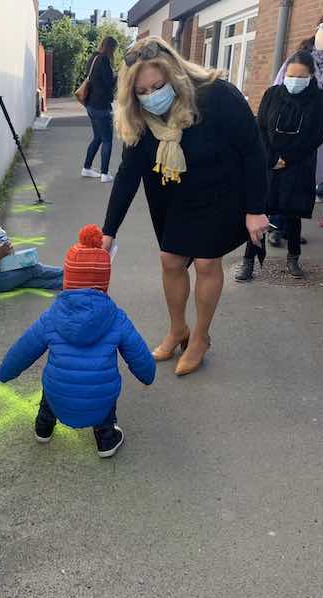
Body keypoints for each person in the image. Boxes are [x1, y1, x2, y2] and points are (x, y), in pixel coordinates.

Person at [101, 37, 269, 376]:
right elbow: (127, 174)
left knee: (207, 262)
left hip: (222, 193)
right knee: (170, 260)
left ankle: (201, 337)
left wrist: (256, 208)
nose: (151, 96)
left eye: (157, 86)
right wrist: (109, 231)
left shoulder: (216, 95)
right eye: (142, 91)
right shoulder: (139, 117)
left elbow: (254, 149)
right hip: (174, 196)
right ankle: (178, 329)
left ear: (174, 75)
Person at [0, 225, 156, 458]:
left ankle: (43, 426)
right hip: (99, 401)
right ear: (104, 280)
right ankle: (106, 439)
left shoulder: (52, 316)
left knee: (51, 384)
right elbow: (139, 355)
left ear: (67, 279)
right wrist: (148, 375)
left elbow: (24, 349)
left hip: (58, 396)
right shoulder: (116, 317)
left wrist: (5, 373)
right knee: (104, 395)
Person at [235, 51, 323, 281]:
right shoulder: (272, 94)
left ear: (310, 76)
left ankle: (293, 258)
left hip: (299, 164)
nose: (294, 80)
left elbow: (316, 136)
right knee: (260, 212)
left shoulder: (320, 99)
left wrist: (287, 159)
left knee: (293, 214)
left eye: (300, 76)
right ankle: (249, 261)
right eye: (290, 75)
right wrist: (271, 158)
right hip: (269, 164)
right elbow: (260, 129)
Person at [270, 13, 323, 247]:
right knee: (284, 175)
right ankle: (276, 225)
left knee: (305, 180)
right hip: (292, 127)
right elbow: (278, 89)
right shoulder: (301, 60)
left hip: (319, 133)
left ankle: (291, 228)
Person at [0, 197, 63, 292]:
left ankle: (66, 283)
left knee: (30, 279)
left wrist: (6, 251)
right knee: (33, 269)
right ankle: (67, 273)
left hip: (3, 271)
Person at [81, 37, 119, 183]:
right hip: (101, 106)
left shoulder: (94, 58)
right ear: (111, 48)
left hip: (90, 104)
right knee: (107, 140)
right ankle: (104, 174)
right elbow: (109, 83)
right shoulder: (104, 60)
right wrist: (117, 77)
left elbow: (96, 79)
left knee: (97, 137)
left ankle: (87, 168)